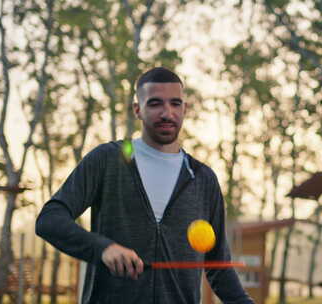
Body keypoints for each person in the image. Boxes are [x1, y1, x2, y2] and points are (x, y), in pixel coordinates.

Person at [36, 67, 254, 304]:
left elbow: (218, 267)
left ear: (185, 109)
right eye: (155, 104)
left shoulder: (203, 179)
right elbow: (49, 220)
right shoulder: (108, 160)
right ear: (137, 109)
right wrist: (103, 248)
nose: (167, 113)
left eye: (175, 103)